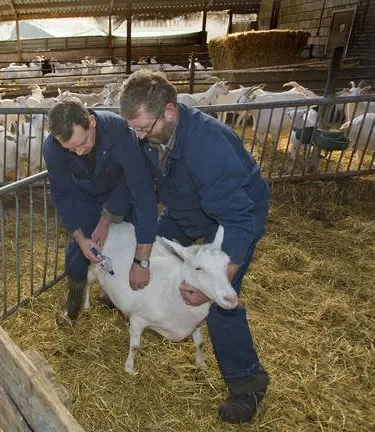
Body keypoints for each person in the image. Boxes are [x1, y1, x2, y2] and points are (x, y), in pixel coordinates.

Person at [119, 69, 270, 424]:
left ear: (170, 112)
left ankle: (248, 382)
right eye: (133, 128)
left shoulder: (208, 145)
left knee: (221, 299)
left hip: (237, 215)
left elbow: (238, 220)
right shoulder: (153, 135)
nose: (138, 135)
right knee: (154, 245)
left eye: (143, 126)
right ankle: (137, 301)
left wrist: (211, 285)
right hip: (189, 206)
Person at [43, 97, 157, 321]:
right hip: (85, 194)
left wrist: (108, 219)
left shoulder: (118, 131)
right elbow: (62, 194)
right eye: (70, 149)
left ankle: (122, 299)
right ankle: (74, 303)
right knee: (80, 251)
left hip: (120, 189)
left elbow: (139, 187)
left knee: (130, 241)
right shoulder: (53, 147)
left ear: (91, 121)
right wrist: (80, 237)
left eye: (82, 143)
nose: (78, 152)